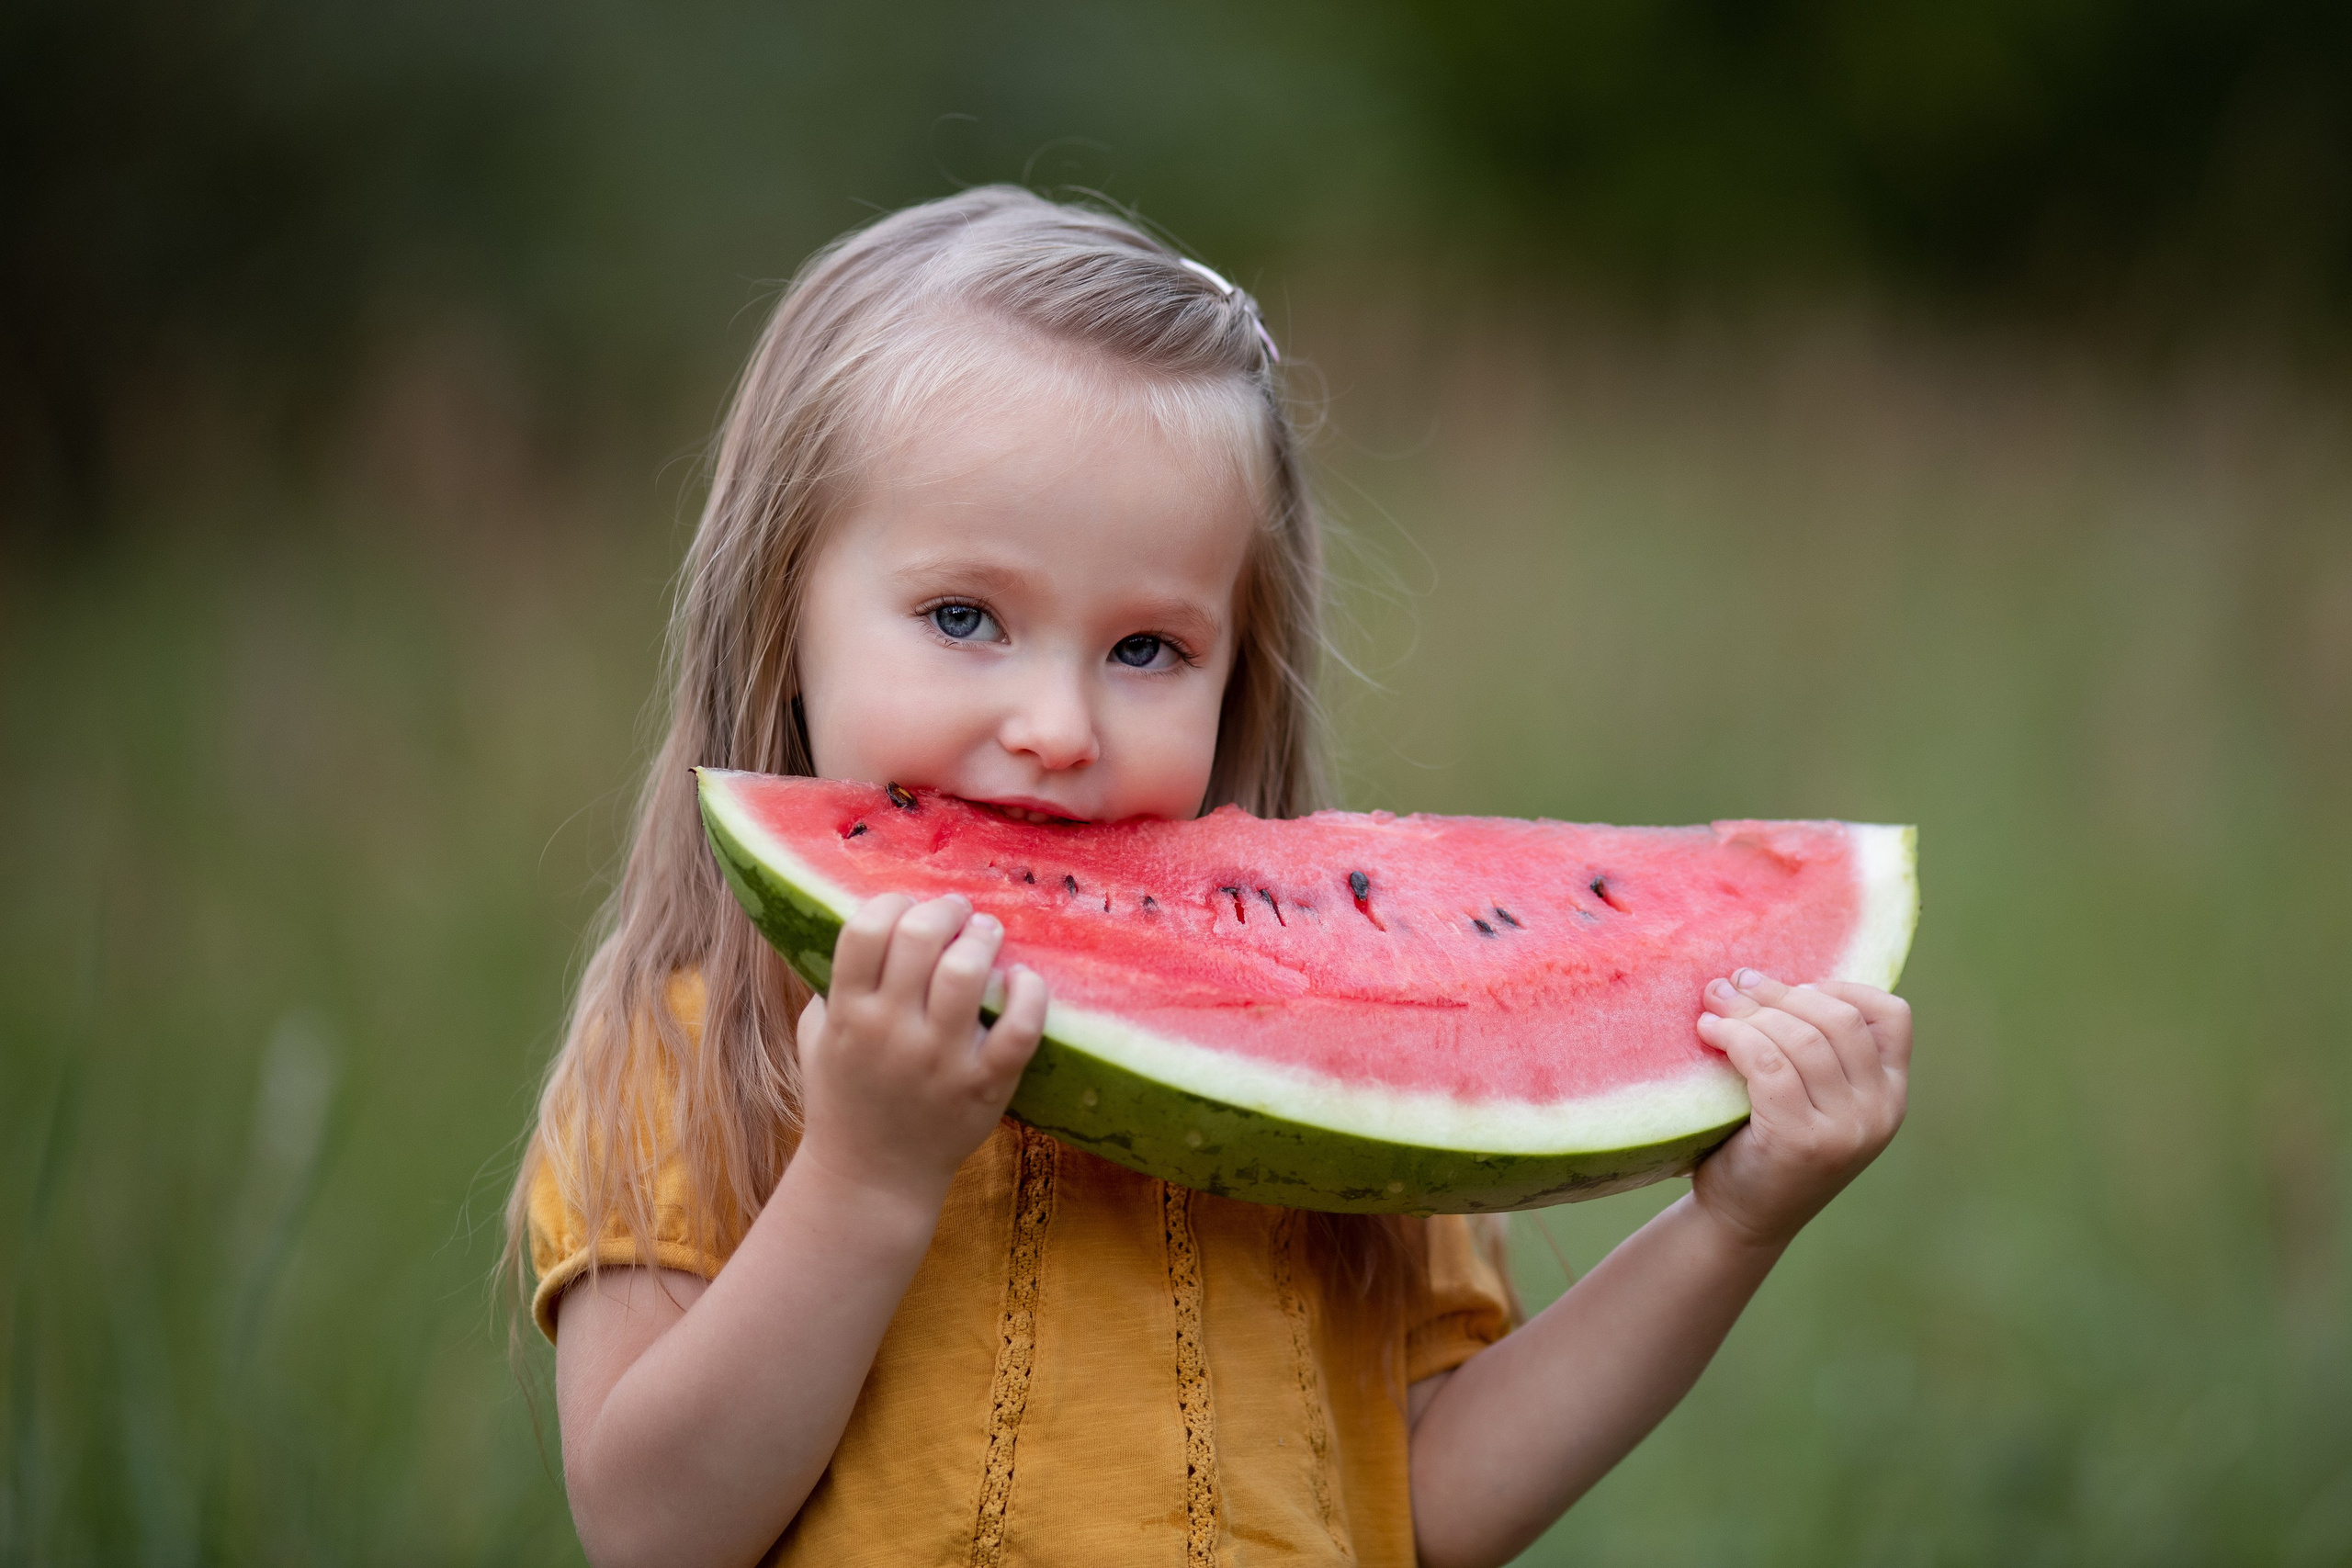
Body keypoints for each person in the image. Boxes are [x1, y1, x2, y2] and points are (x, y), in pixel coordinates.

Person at [507, 186, 1912, 1568]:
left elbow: (1440, 1507)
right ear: (778, 620)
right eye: (962, 618)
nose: (1057, 727)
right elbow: (650, 1532)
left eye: (1146, 651)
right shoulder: (693, 1048)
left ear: (1240, 672)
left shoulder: (1358, 1061)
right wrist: (867, 1173)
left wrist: (1728, 1228)